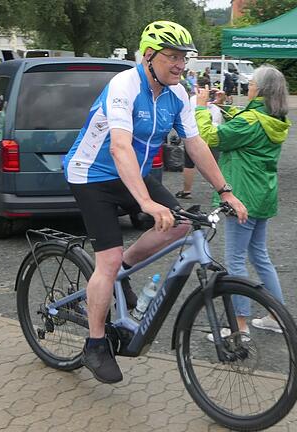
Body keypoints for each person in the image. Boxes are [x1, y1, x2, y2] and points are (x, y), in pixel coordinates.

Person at [62, 20, 247, 384]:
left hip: (131, 172)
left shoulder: (178, 94)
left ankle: (124, 272)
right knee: (107, 259)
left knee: (182, 223)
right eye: (172, 57)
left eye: (184, 58)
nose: (180, 64)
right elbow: (118, 146)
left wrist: (225, 190)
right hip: (92, 173)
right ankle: (95, 344)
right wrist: (146, 202)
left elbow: (195, 144)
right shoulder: (124, 86)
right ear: (149, 56)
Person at [195, 64, 290, 340]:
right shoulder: (273, 118)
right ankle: (276, 315)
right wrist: (224, 106)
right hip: (263, 194)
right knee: (260, 256)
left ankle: (239, 326)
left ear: (259, 90)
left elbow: (211, 137)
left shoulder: (250, 121)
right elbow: (246, 121)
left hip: (242, 196)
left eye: (250, 85)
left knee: (235, 260)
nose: (247, 87)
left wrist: (201, 109)